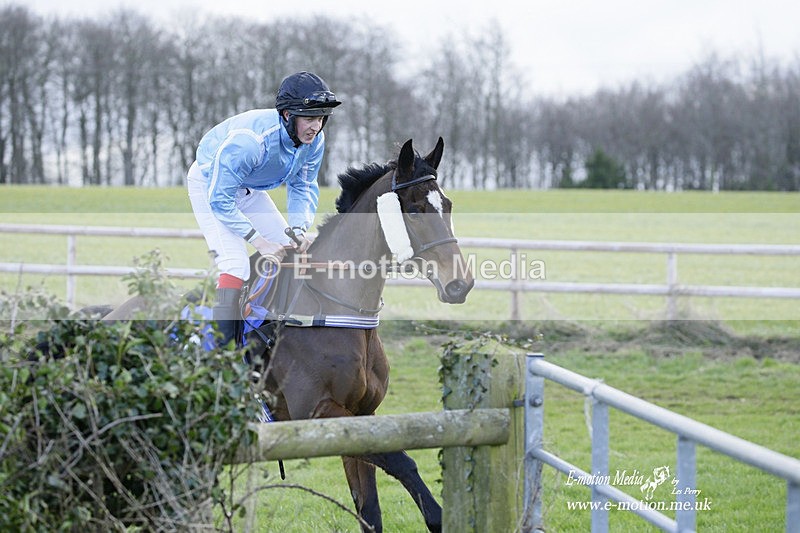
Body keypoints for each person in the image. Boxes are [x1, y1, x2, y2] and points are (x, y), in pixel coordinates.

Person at [187, 71, 341, 346]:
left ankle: (269, 329)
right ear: (286, 115)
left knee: (290, 247)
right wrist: (258, 241)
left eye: (320, 118)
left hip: (248, 188)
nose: (315, 126)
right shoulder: (249, 143)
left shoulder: (314, 141)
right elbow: (220, 201)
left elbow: (302, 185)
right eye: (309, 117)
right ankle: (220, 353)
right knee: (235, 265)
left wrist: (298, 229)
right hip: (210, 186)